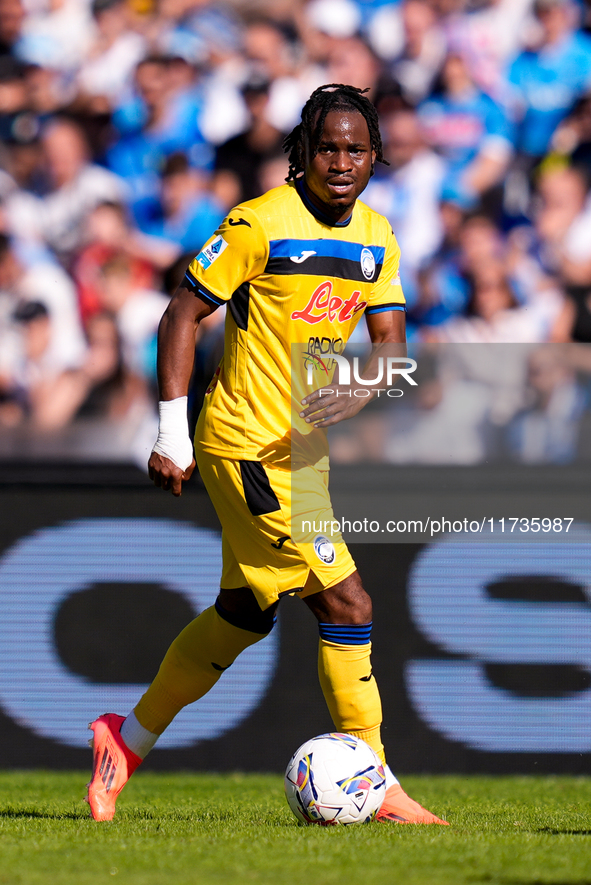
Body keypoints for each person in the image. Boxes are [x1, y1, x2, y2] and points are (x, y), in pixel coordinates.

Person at [85, 83, 449, 827]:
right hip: (243, 443)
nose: (340, 161)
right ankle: (376, 782)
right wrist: (170, 431)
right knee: (347, 601)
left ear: (376, 155)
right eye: (326, 147)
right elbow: (182, 311)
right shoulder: (259, 223)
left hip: (301, 453)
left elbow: (391, 351)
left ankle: (125, 738)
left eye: (355, 148)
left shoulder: (378, 236)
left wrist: (362, 388)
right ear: (301, 152)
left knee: (243, 614)